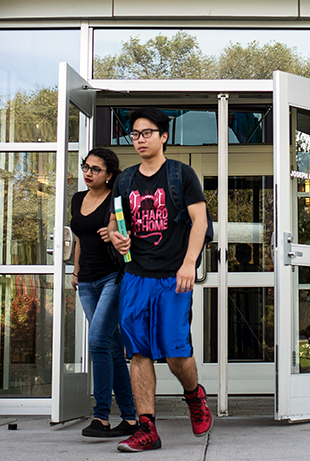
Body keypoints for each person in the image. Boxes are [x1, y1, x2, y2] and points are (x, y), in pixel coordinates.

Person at [108, 108, 212, 453]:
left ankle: (194, 395)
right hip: (136, 276)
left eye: (147, 133)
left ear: (163, 136)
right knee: (138, 352)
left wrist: (188, 264)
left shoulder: (181, 175)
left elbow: (200, 222)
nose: (140, 139)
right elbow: (115, 224)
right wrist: (117, 237)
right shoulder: (124, 180)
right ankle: (147, 429)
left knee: (175, 355)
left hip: (173, 278)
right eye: (135, 134)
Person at [70, 148, 138, 438]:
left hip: (114, 276)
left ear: (109, 175)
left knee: (97, 341)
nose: (88, 172)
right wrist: (74, 271)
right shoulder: (77, 199)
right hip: (86, 281)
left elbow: (129, 234)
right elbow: (79, 239)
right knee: (110, 347)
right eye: (86, 167)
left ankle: (100, 416)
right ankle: (131, 418)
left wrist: (112, 233)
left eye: (95, 169)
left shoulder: (117, 199)